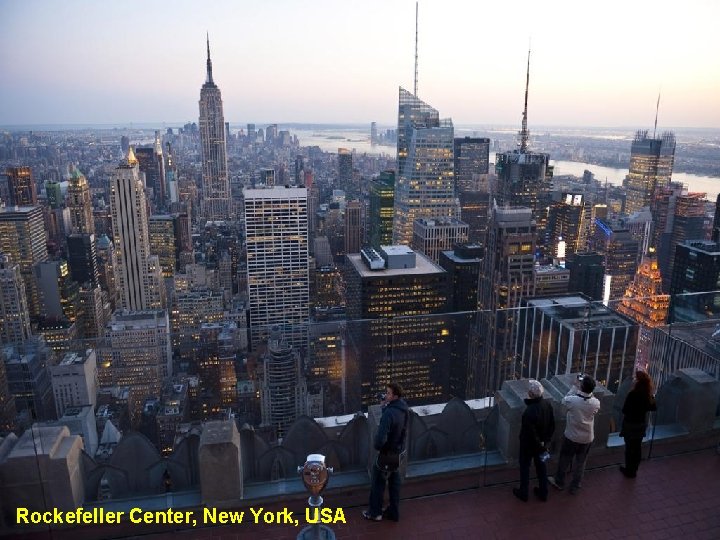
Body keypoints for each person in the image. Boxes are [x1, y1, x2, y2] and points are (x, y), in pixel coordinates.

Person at [362, 382, 410, 522]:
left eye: (388, 393)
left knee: (377, 484)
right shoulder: (403, 408)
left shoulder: (389, 413)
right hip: (398, 453)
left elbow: (380, 439)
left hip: (386, 455)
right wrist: (385, 407)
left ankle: (375, 513)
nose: (386, 394)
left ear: (395, 396)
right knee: (395, 484)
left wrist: (378, 446)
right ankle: (394, 512)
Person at [548, 374, 600, 495]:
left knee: (564, 459)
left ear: (581, 386)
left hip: (572, 436)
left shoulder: (572, 400)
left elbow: (564, 401)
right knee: (581, 462)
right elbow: (590, 401)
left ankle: (559, 481)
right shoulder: (596, 403)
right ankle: (575, 486)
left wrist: (574, 387)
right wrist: (583, 388)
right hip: (587, 437)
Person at [513, 379, 555, 502]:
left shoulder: (529, 411)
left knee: (525, 467)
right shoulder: (547, 405)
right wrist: (545, 443)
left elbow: (530, 433)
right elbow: (552, 425)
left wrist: (539, 444)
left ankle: (524, 492)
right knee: (541, 467)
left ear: (531, 394)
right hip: (542, 444)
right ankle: (543, 492)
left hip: (529, 445)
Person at [620, 370, 657, 478]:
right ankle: (634, 469)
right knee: (637, 448)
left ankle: (628, 470)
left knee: (629, 448)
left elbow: (624, 410)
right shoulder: (647, 395)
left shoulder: (632, 394)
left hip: (630, 424)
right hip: (641, 424)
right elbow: (653, 407)